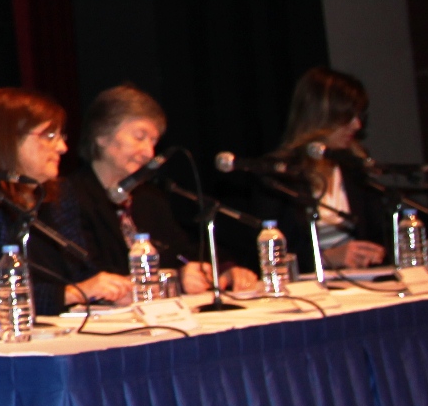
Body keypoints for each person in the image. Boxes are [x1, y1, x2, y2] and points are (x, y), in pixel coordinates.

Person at [0, 88, 134, 316]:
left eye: (61, 136)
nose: (62, 147)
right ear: (10, 138)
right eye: (49, 136)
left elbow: (82, 272)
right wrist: (71, 294)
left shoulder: (60, 195)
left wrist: (110, 292)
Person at [64, 85, 256, 294]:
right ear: (101, 134)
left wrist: (225, 269)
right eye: (139, 137)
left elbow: (182, 252)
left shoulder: (149, 198)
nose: (149, 152)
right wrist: (174, 279)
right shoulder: (70, 197)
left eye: (153, 141)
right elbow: (90, 274)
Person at [272, 66, 387, 269]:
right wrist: (326, 258)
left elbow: (380, 233)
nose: (357, 125)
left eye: (359, 116)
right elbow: (270, 254)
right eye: (348, 117)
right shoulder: (279, 173)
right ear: (320, 117)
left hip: (358, 279)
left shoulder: (355, 167)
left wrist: (377, 251)